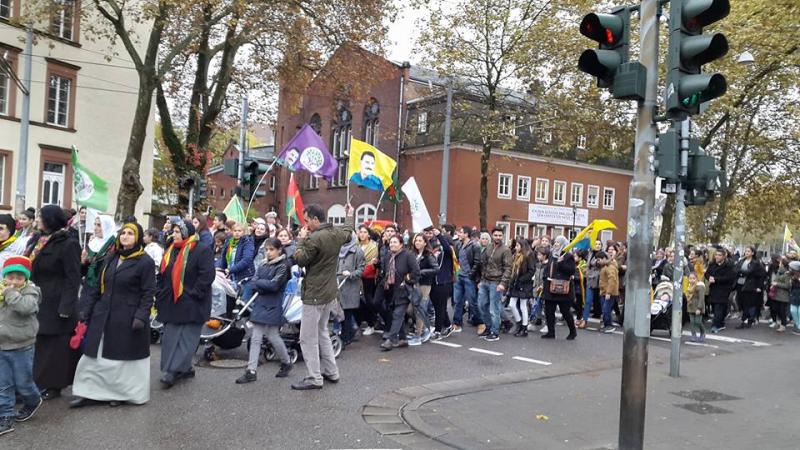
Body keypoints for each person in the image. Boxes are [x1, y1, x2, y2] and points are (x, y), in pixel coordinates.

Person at [71, 222, 156, 407]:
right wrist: (86, 308)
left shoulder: (145, 261)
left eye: (130, 233)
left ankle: (118, 394)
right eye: (122, 233)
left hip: (127, 315)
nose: (125, 236)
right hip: (103, 313)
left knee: (119, 360)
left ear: (138, 238)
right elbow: (97, 286)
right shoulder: (111, 257)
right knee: (92, 357)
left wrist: (141, 316)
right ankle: (88, 393)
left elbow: (148, 292)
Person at [290, 204, 354, 390]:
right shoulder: (335, 232)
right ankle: (331, 371)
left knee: (307, 338)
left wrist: (301, 240)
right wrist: (349, 215)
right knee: (322, 332)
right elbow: (348, 232)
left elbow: (300, 259)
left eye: (307, 220)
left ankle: (314, 377)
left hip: (315, 294)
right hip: (329, 292)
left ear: (316, 219)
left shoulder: (315, 238)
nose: (306, 224)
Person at [24, 205, 81, 400]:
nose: (38, 220)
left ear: (51, 220)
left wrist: (66, 307)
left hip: (55, 301)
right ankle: (35, 382)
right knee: (38, 344)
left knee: (54, 347)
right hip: (36, 297)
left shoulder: (68, 243)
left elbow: (73, 278)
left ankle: (53, 385)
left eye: (41, 217)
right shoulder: (37, 240)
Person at [156, 221, 215, 388]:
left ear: (186, 232)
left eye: (177, 231)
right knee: (170, 337)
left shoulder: (201, 250)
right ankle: (183, 367)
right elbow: (162, 273)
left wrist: (193, 293)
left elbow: (207, 275)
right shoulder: (170, 251)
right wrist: (159, 291)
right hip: (171, 301)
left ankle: (173, 371)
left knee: (186, 338)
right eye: (173, 231)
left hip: (192, 302)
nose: (173, 234)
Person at [236, 238, 293, 383]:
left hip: (273, 304)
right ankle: (251, 370)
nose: (268, 252)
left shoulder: (283, 266)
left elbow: (274, 285)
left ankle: (286, 361)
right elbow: (255, 282)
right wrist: (262, 284)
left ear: (279, 250)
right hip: (262, 303)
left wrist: (260, 284)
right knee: (256, 337)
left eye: (271, 249)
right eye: (266, 249)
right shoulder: (263, 264)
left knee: (273, 336)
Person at [0, 256, 43, 435]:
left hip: (22, 345)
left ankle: (33, 400)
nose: (14, 282)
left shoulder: (31, 292)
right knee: (3, 384)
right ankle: (6, 416)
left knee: (23, 383)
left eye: (19, 277)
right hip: (2, 345)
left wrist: (11, 294)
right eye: (10, 277)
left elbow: (26, 308)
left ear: (25, 278)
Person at [378, 235, 420, 351]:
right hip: (391, 290)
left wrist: (407, 279)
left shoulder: (408, 255)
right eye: (391, 242)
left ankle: (391, 340)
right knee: (396, 314)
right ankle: (403, 339)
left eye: (395, 242)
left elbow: (416, 272)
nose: (392, 244)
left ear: (401, 244)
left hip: (404, 290)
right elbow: (385, 272)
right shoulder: (388, 256)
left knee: (397, 314)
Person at [477, 228, 512, 342]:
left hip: (496, 282)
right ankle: (488, 327)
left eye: (500, 235)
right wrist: (481, 280)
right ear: (492, 236)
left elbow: (508, 268)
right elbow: (484, 265)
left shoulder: (506, 250)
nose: (497, 237)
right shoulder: (489, 247)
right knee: (482, 305)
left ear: (502, 236)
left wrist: (502, 283)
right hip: (485, 281)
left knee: (494, 309)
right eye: (496, 235)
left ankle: (495, 331)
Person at [541, 236, 577, 340]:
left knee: (565, 312)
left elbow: (571, 270)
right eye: (555, 242)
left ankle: (573, 331)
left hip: (563, 289)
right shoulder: (552, 254)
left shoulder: (568, 255)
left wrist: (561, 262)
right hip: (551, 287)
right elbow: (548, 268)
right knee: (549, 311)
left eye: (558, 242)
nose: (556, 244)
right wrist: (545, 278)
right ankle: (551, 332)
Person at [337, 233, 365, 346]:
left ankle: (346, 337)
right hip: (339, 284)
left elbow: (361, 269)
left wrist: (351, 274)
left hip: (350, 286)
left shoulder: (358, 251)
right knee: (339, 313)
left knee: (347, 313)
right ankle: (346, 333)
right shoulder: (338, 250)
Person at [409, 233, 436, 344]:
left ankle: (418, 336)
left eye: (420, 240)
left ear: (425, 243)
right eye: (416, 240)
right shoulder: (413, 254)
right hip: (414, 284)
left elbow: (435, 269)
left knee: (420, 309)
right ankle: (425, 328)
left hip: (425, 284)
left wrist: (422, 272)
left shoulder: (429, 255)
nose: (417, 242)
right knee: (410, 309)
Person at [429, 227, 455, 337]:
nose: (438, 243)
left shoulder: (449, 253)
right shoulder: (435, 252)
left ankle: (438, 331)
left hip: (444, 283)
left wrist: (440, 235)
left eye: (440, 241)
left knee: (440, 308)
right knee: (439, 307)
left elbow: (447, 248)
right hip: (434, 283)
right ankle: (449, 326)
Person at [454, 227, 482, 332]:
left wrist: (471, 274)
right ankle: (457, 323)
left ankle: (480, 322)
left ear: (466, 234)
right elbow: (457, 259)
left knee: (472, 301)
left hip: (468, 277)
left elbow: (477, 262)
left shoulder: (475, 246)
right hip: (459, 276)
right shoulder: (458, 244)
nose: (458, 234)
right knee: (458, 301)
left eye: (460, 232)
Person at [81, 215, 119, 294]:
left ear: (107, 226)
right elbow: (84, 270)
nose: (95, 228)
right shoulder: (93, 242)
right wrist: (83, 262)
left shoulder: (114, 244)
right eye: (95, 224)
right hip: (88, 286)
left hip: (103, 289)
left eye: (99, 225)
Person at [705, 246, 736, 333]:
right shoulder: (712, 264)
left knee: (719, 306)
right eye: (716, 255)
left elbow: (729, 277)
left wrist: (716, 279)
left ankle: (716, 324)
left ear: (723, 256)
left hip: (723, 289)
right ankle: (720, 322)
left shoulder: (728, 266)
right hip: (714, 288)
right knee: (714, 306)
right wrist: (709, 278)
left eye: (719, 255)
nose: (717, 257)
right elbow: (707, 273)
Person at [508, 237, 535, 337]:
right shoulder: (516, 255)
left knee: (523, 306)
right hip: (516, 283)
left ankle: (524, 328)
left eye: (518, 246)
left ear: (522, 246)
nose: (516, 247)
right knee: (512, 304)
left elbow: (531, 271)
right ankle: (519, 323)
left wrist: (521, 279)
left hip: (524, 283)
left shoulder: (528, 256)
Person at [734, 246, 766, 329]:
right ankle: (747, 318)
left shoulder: (755, 263)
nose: (746, 253)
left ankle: (746, 320)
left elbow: (749, 272)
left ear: (752, 253)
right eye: (746, 251)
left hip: (750, 285)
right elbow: (735, 270)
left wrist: (741, 272)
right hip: (739, 284)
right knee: (740, 301)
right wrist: (742, 273)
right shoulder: (741, 261)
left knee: (748, 303)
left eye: (748, 251)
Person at [357, 225, 379, 336]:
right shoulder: (357, 245)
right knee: (358, 301)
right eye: (360, 232)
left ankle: (372, 324)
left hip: (368, 277)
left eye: (364, 232)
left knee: (368, 300)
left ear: (369, 234)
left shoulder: (373, 246)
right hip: (356, 277)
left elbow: (371, 263)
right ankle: (361, 321)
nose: (362, 234)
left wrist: (359, 270)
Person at [578, 240, 603, 328]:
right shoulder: (590, 254)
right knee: (588, 301)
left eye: (599, 244)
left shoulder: (603, 254)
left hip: (600, 281)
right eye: (596, 244)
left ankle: (604, 321)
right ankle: (584, 320)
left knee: (602, 302)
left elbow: (597, 263)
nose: (598, 245)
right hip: (590, 281)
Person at [597, 250, 619, 333]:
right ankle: (607, 324)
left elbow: (612, 280)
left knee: (606, 309)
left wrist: (608, 292)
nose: (598, 262)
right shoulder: (605, 266)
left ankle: (608, 325)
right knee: (605, 309)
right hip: (604, 292)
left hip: (609, 293)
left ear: (603, 258)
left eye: (599, 260)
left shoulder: (610, 267)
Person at [770, 257, 791, 333]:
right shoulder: (779, 271)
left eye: (780, 263)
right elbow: (775, 279)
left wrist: (777, 284)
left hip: (783, 296)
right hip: (776, 294)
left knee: (782, 311)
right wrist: (773, 283)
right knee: (776, 309)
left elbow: (787, 285)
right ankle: (780, 322)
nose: (779, 264)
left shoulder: (787, 273)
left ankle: (783, 325)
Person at [686, 272, 706, 342]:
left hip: (698, 306)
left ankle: (703, 332)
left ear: (697, 279)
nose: (692, 280)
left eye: (694, 278)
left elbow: (701, 298)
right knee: (692, 322)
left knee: (698, 321)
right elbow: (688, 296)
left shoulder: (700, 287)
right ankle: (693, 335)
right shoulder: (688, 287)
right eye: (690, 278)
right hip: (691, 306)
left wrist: (699, 308)